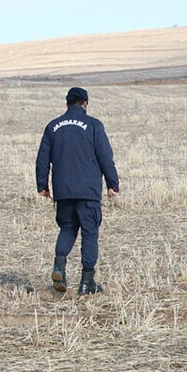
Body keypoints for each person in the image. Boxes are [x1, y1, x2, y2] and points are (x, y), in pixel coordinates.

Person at [35, 87, 119, 295]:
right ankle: (86, 283)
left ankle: (59, 268)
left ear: (67, 103)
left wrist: (42, 186)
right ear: (85, 103)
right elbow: (105, 157)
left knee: (67, 229)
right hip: (88, 191)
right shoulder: (93, 125)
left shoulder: (53, 126)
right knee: (90, 233)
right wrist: (112, 183)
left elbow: (42, 160)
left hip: (63, 191)